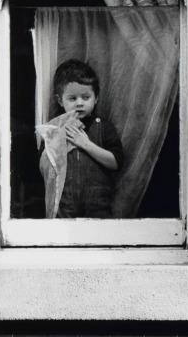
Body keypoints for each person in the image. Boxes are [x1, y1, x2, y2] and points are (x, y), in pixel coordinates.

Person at [37, 59, 124, 218]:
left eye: (86, 97)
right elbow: (45, 169)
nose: (79, 103)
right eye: (72, 98)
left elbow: (116, 163)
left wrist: (86, 144)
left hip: (98, 208)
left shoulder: (104, 127)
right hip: (64, 208)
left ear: (96, 98)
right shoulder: (54, 130)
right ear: (59, 100)